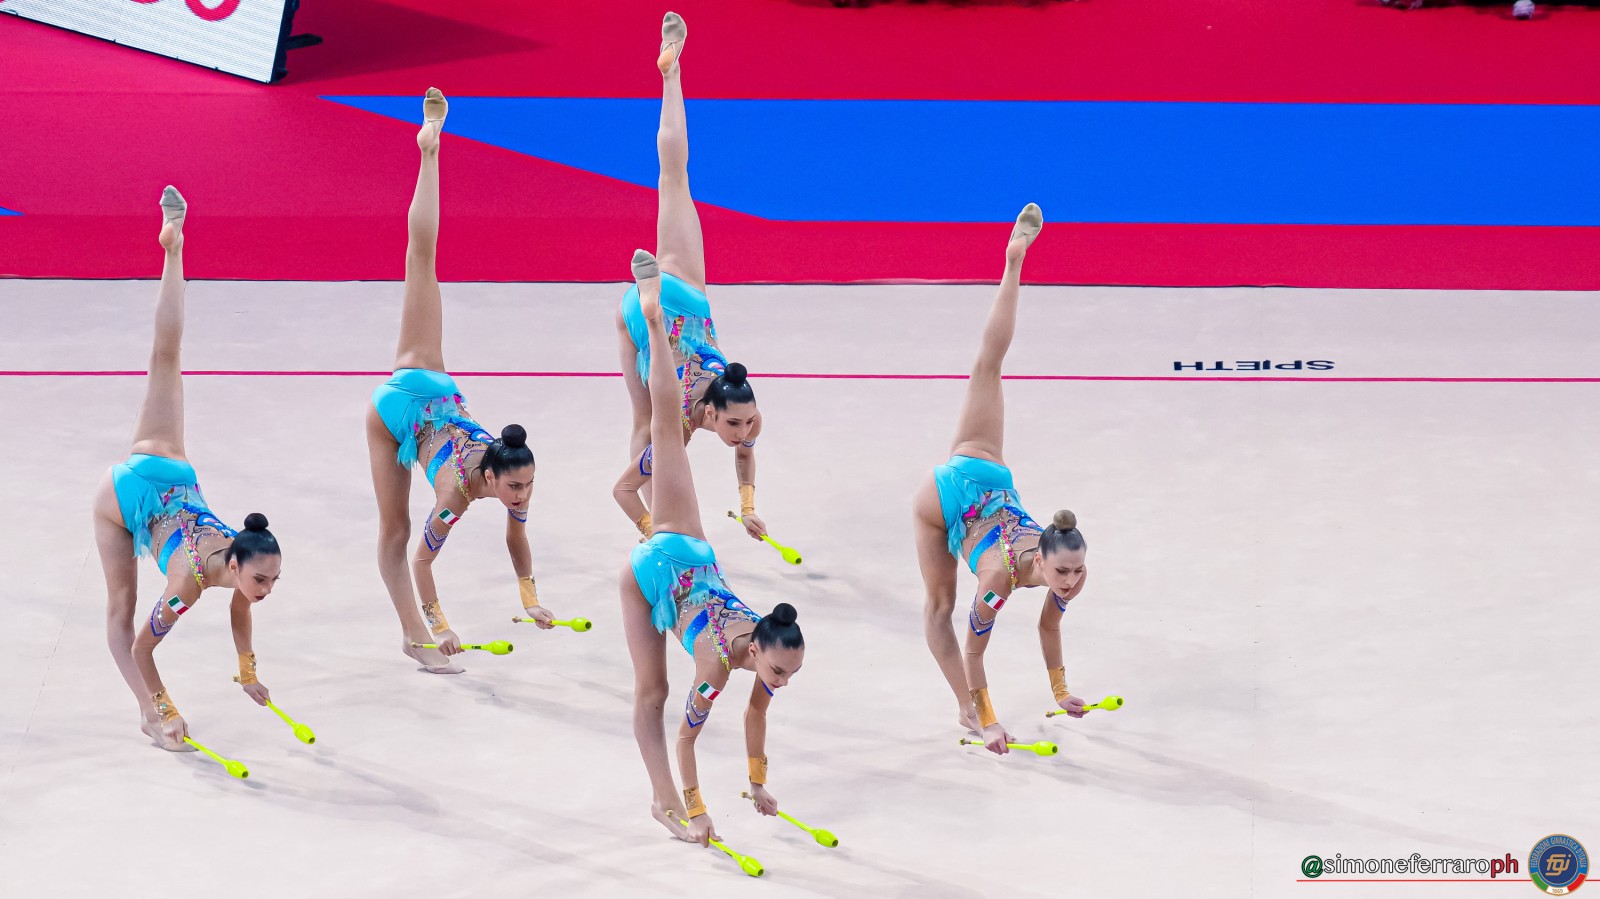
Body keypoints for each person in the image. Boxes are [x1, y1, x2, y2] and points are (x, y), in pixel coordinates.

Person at [365, 88, 557, 675]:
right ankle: (416, 636)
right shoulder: (454, 498)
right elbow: (424, 562)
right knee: (397, 533)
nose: (522, 495)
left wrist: (529, 598)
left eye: (526, 485)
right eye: (516, 487)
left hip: (432, 380)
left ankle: (429, 150)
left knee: (422, 260)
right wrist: (441, 624)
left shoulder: (511, 480)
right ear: (491, 477)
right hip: (397, 409)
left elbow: (517, 539)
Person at [619, 248, 806, 847]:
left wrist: (757, 783)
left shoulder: (767, 657)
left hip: (678, 558)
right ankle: (651, 318)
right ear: (760, 648)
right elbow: (687, 739)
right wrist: (700, 810)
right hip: (673, 555)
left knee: (653, 691)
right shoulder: (715, 670)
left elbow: (756, 714)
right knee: (662, 421)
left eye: (787, 673)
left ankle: (656, 312)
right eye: (780, 671)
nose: (781, 681)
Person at [90, 186, 284, 751]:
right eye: (262, 580)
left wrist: (247, 672)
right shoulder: (185, 587)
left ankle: (173, 246)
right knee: (122, 617)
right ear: (238, 566)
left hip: (168, 466)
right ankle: (150, 714)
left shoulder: (241, 564)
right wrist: (168, 708)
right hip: (121, 500)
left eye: (272, 580)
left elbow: (242, 610)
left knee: (167, 356)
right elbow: (143, 647)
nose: (266, 589)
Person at [909, 205, 1091, 754]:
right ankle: (966, 707)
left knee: (988, 368)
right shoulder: (997, 582)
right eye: (1064, 572)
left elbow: (1049, 628)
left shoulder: (1071, 572)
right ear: (1043, 561)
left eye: (1076, 571)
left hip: (986, 471)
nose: (1070, 581)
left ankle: (1013, 260)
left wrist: (1061, 692)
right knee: (940, 609)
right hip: (942, 501)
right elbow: (975, 651)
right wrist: (990, 720)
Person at [612, 12, 770, 545]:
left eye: (746, 423)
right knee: (647, 422)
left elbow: (744, 456)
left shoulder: (741, 407)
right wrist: (647, 526)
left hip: (669, 304)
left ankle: (671, 74)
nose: (744, 433)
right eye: (735, 425)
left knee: (674, 178)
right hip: (664, 308)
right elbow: (621, 491)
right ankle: (671, 71)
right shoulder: (682, 421)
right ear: (711, 413)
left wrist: (747, 507)